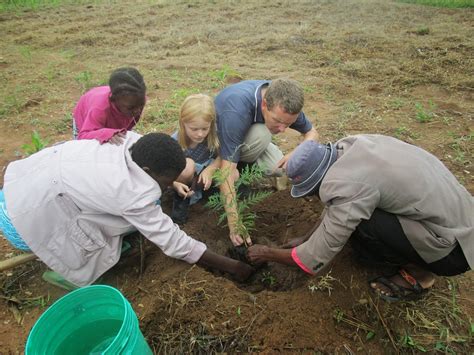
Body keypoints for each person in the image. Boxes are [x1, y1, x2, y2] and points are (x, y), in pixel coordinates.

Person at [2, 132, 253, 287]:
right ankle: (66, 275)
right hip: (21, 219)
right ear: (147, 172)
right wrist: (233, 267)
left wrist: (173, 180)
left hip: (25, 183)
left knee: (132, 219)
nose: (167, 188)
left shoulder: (132, 141)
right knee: (91, 258)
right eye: (166, 182)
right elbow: (175, 242)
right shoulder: (130, 193)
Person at [247, 134, 473, 302]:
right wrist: (306, 237)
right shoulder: (350, 148)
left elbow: (313, 258)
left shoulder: (349, 188)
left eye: (311, 191)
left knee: (364, 226)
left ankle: (420, 274)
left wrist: (267, 253)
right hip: (461, 218)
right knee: (360, 215)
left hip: (454, 252)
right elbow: (342, 202)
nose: (313, 198)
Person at [214, 79, 319, 246]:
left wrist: (296, 152)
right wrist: (235, 223)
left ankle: (246, 168)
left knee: (280, 168)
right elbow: (225, 174)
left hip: (246, 139)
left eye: (289, 124)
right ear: (264, 104)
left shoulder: (286, 101)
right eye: (278, 121)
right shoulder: (237, 108)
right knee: (262, 134)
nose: (283, 129)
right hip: (214, 145)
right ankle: (240, 174)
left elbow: (312, 133)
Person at [170, 94, 225, 225]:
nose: (200, 134)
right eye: (194, 129)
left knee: (233, 173)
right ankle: (179, 213)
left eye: (205, 128)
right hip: (187, 181)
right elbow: (163, 170)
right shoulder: (174, 141)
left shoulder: (216, 135)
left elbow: (224, 155)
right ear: (183, 123)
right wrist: (174, 184)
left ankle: (216, 202)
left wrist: (211, 170)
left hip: (208, 176)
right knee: (188, 165)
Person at [73, 67, 146, 145]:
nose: (137, 111)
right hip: (86, 124)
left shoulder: (136, 100)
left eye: (141, 105)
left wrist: (119, 132)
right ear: (114, 100)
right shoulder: (99, 109)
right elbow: (83, 135)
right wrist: (106, 134)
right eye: (131, 108)